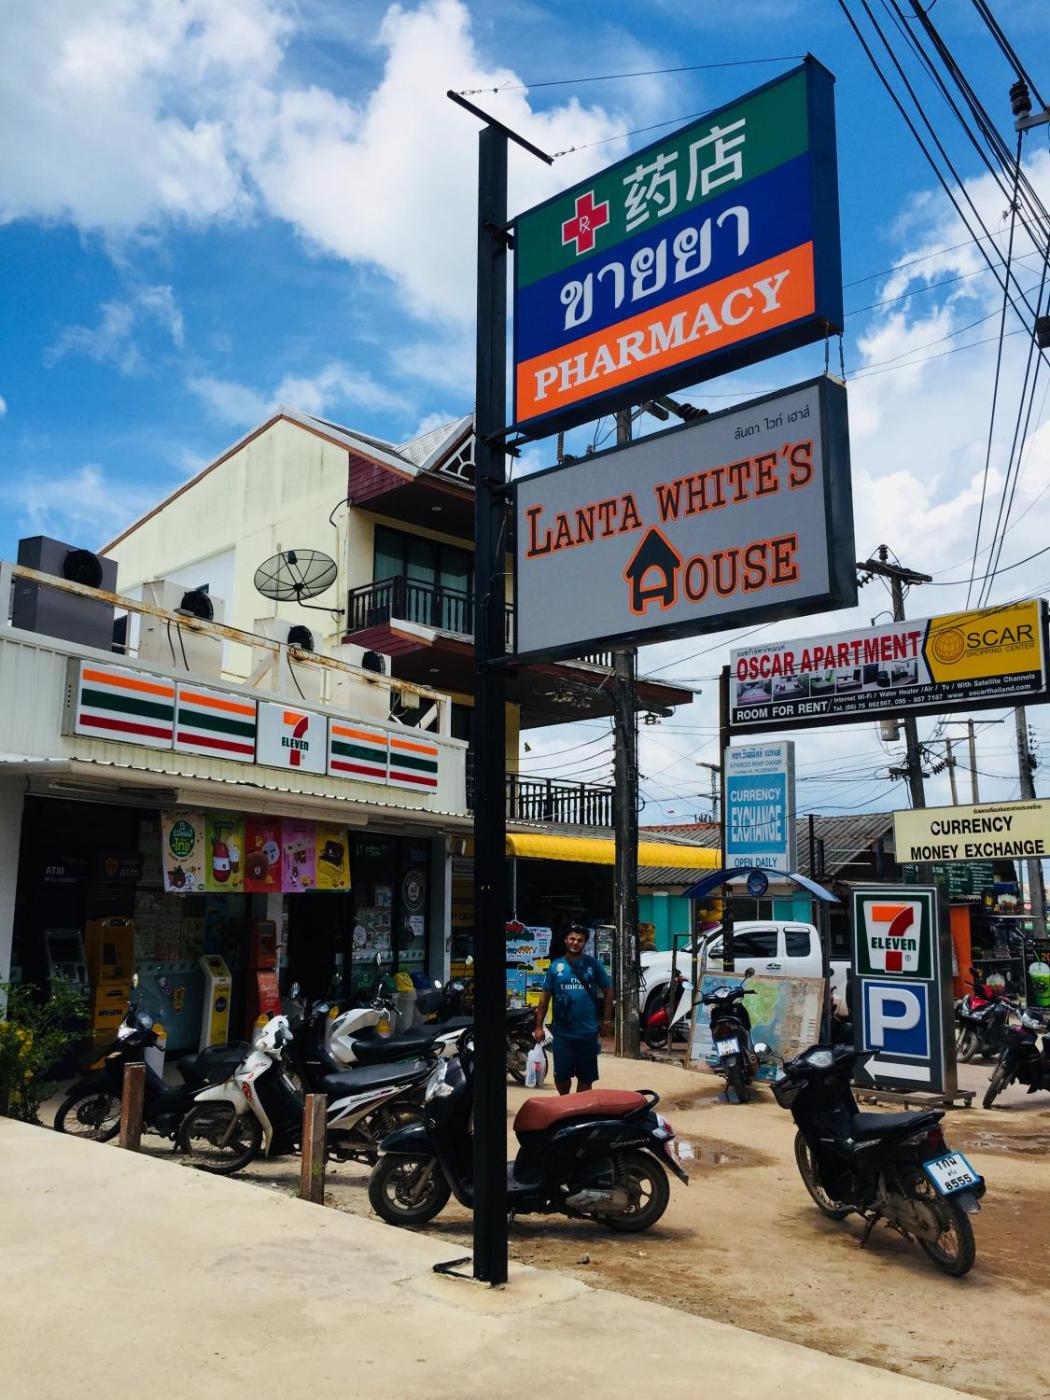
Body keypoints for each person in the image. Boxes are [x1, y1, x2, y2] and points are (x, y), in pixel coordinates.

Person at [533, 924, 612, 1094]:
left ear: (584, 943)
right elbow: (544, 998)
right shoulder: (555, 966)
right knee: (561, 1076)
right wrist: (539, 1026)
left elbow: (608, 990)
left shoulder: (593, 965)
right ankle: (565, 1102)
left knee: (586, 1078)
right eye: (572, 939)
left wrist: (606, 1021)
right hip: (562, 1034)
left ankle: (579, 1106)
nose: (575, 943)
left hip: (587, 1033)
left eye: (580, 940)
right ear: (566, 940)